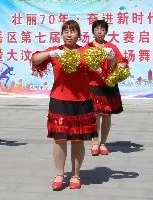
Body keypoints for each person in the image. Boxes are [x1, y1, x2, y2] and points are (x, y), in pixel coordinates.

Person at [31, 20, 97, 191]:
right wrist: (50, 53)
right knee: (59, 139)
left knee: (78, 140)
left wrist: (110, 57)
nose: (69, 34)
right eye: (66, 31)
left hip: (82, 100)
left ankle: (75, 175)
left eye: (73, 31)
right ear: (61, 34)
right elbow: (35, 59)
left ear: (79, 35)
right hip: (59, 100)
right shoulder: (56, 51)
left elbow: (105, 66)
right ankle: (59, 174)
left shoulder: (87, 52)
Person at [85, 19, 128, 156]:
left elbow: (123, 62)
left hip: (108, 85)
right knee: (96, 115)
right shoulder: (88, 47)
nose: (99, 31)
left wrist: (119, 64)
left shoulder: (112, 47)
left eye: (102, 29)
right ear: (93, 31)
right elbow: (81, 64)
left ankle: (103, 143)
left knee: (107, 115)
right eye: (97, 29)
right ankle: (95, 143)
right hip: (94, 86)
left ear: (106, 32)